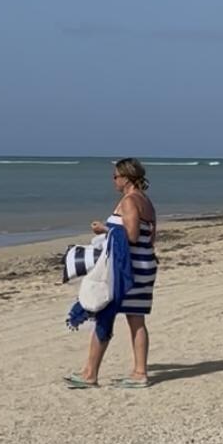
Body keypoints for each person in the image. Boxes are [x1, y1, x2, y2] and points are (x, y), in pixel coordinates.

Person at [68, 157, 158, 390]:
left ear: (126, 178)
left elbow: (131, 235)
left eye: (115, 176)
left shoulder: (129, 201)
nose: (113, 180)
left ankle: (90, 373)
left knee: (103, 313)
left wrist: (104, 229)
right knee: (136, 320)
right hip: (144, 266)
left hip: (127, 270)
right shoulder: (146, 201)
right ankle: (140, 372)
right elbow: (151, 237)